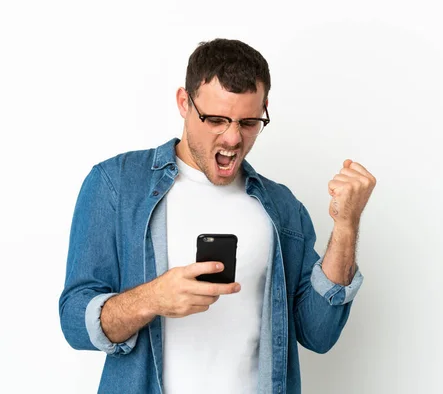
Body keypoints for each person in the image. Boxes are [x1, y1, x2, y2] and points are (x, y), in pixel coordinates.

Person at [59, 38, 376, 394]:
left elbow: (318, 334)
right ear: (184, 102)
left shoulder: (282, 208)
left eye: (249, 122)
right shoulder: (116, 185)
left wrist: (346, 225)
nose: (232, 138)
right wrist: (151, 299)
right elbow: (74, 322)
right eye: (216, 119)